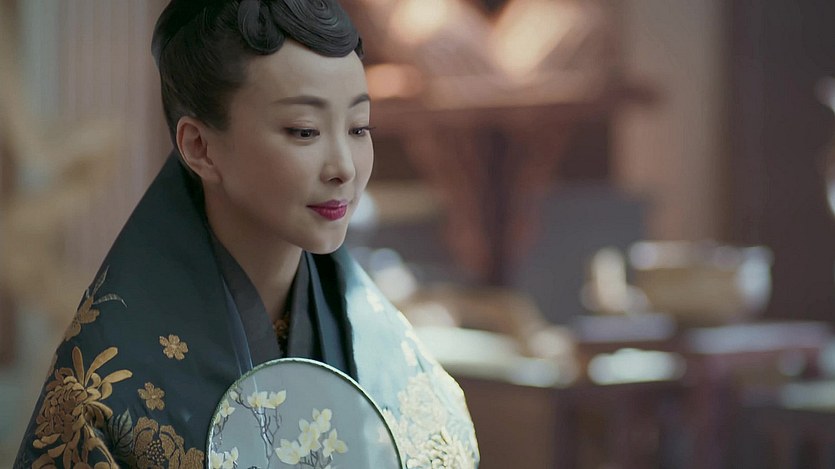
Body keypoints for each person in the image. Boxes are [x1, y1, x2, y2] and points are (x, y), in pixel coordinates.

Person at [13, 1, 479, 468]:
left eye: (359, 128)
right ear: (200, 146)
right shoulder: (105, 389)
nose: (344, 168)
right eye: (305, 131)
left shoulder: (400, 368)